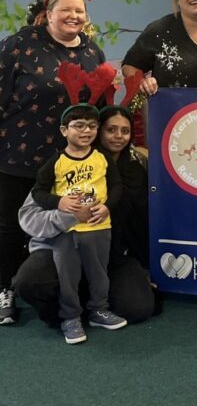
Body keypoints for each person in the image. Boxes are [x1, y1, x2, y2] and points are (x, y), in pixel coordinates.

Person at [0, 0, 106, 325]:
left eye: (80, 10)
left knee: (59, 225)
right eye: (66, 10)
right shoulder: (19, 45)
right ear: (48, 13)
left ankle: (57, 288)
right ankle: (5, 290)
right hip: (18, 154)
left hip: (68, 163)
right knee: (9, 228)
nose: (73, 16)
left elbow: (96, 105)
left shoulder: (91, 51)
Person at [14, 106, 157, 327]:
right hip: (62, 246)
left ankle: (93, 303)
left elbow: (144, 219)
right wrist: (68, 215)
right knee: (31, 282)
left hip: (111, 252)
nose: (118, 136)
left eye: (125, 130)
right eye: (111, 129)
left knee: (137, 307)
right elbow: (29, 215)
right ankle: (69, 313)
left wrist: (145, 267)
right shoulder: (62, 163)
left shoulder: (136, 167)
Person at [31, 104, 127, 343]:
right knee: (68, 276)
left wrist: (107, 207)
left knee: (98, 273)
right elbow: (37, 193)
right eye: (79, 126)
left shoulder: (102, 157)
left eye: (92, 126)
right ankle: (71, 317)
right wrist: (59, 201)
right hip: (66, 231)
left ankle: (98, 310)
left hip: (98, 227)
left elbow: (116, 186)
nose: (87, 131)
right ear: (64, 130)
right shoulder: (55, 162)